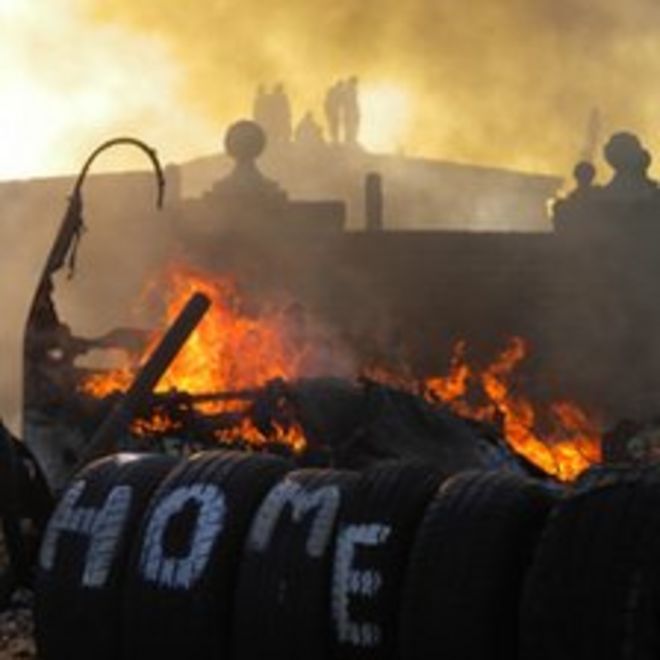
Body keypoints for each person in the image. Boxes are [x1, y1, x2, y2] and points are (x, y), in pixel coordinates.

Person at [343, 76, 361, 145]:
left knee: (352, 125)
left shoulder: (350, 89)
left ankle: (351, 139)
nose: (356, 84)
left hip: (351, 110)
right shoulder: (349, 90)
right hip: (350, 110)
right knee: (350, 125)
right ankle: (350, 140)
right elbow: (350, 101)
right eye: (355, 82)